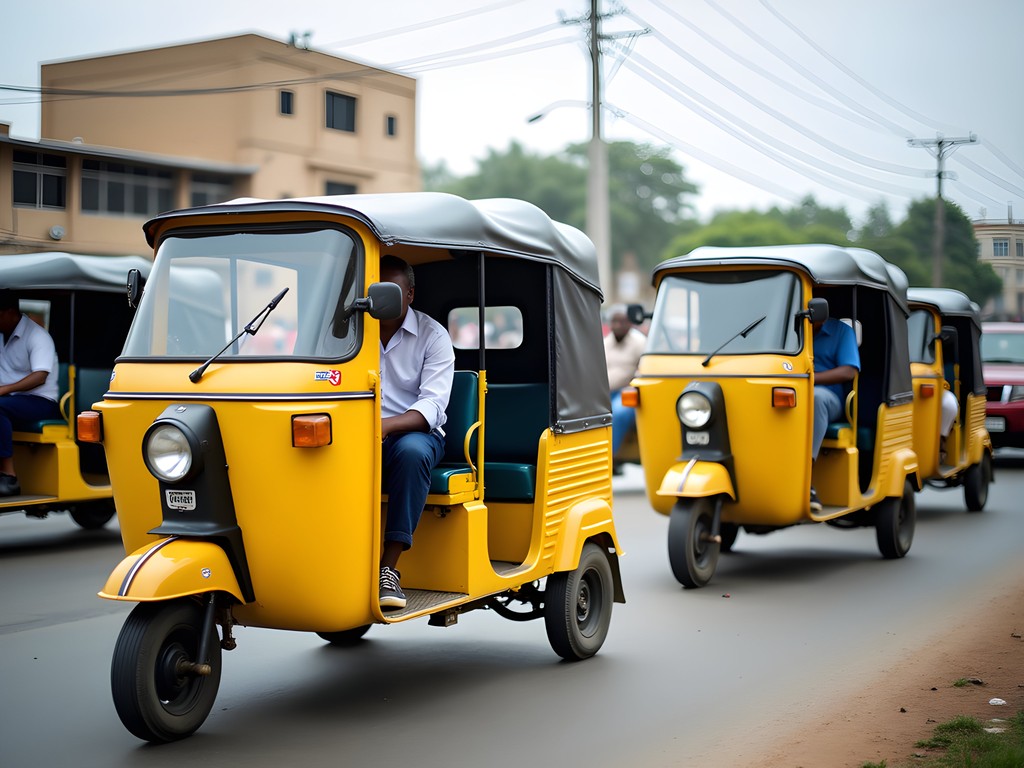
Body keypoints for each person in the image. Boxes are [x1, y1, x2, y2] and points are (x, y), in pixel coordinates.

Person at [377, 255, 455, 610]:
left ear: (409, 294)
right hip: (360, 433)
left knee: (411, 452)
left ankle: (388, 569)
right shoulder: (348, 331)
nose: (380, 297)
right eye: (374, 290)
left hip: (414, 434)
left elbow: (432, 408)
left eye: (390, 290)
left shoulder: (433, 335)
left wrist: (382, 427)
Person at [0, 291, 61, 497]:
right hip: (12, 399)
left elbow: (40, 376)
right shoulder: (2, 334)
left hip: (42, 401)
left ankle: (9, 477)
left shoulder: (38, 336)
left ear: (9, 312)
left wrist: (4, 390)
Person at [810, 316, 860, 512]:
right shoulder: (789, 327)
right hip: (793, 393)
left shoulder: (841, 332)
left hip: (829, 398)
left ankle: (805, 481)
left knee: (816, 398)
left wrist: (812, 380)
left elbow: (849, 371)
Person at [604, 304, 647, 461]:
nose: (618, 325)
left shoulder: (640, 342)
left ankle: (609, 458)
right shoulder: (605, 343)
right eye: (614, 321)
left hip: (627, 392)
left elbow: (644, 370)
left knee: (618, 413)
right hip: (605, 393)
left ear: (630, 322)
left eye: (622, 321)